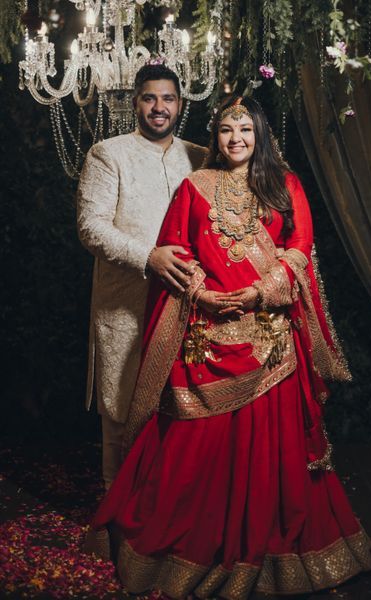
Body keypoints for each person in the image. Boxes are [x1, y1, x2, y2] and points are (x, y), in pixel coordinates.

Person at [85, 96, 371, 598]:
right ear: (214, 137)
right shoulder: (194, 187)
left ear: (260, 133)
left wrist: (261, 291)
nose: (235, 138)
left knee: (272, 456)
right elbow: (177, 250)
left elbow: (299, 251)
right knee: (194, 459)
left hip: (270, 343)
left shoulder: (286, 185)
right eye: (224, 130)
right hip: (205, 342)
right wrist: (202, 292)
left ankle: (272, 550)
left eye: (244, 128)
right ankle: (193, 547)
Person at [77, 64, 208, 489]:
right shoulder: (108, 153)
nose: (158, 107)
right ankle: (116, 520)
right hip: (127, 304)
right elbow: (91, 227)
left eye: (167, 99)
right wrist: (147, 257)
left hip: (188, 306)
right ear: (135, 102)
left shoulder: (201, 157)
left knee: (182, 413)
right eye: (149, 98)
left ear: (180, 105)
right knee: (121, 413)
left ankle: (168, 514)